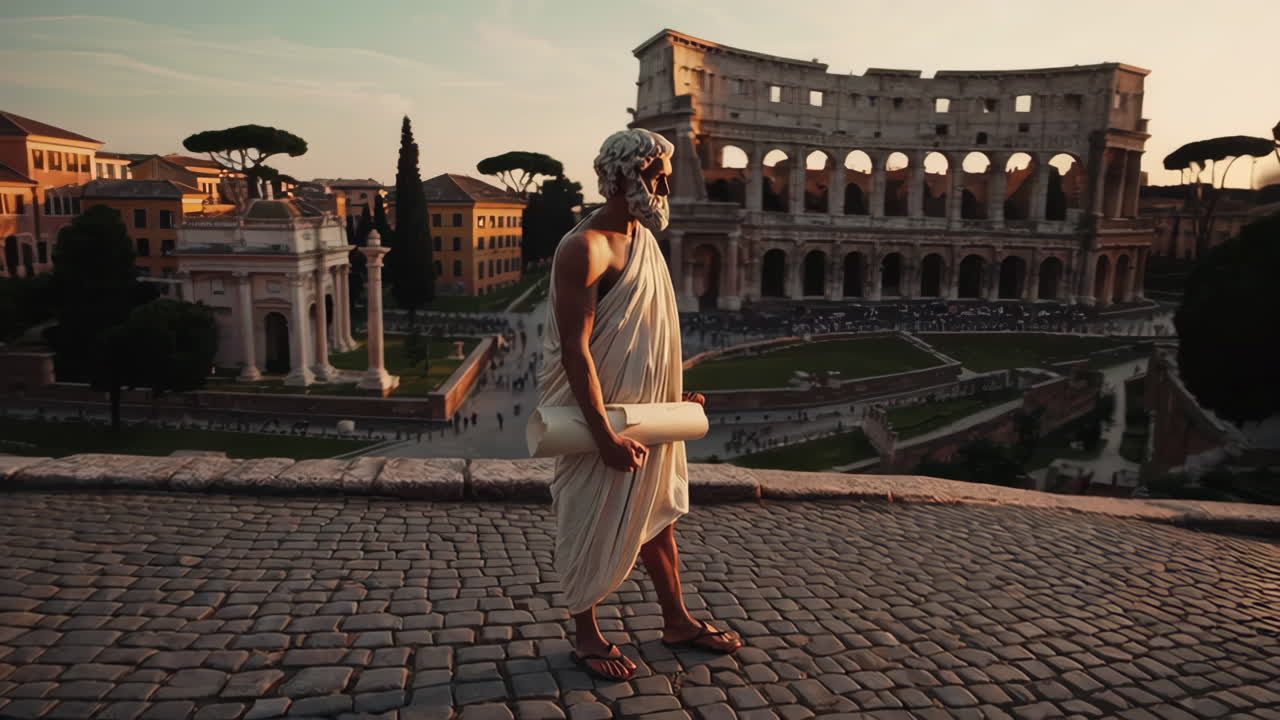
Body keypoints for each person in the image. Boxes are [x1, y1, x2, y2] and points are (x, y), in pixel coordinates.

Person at [535, 128, 743, 682]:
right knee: (585, 518)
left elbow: (647, 335)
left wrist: (673, 403)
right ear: (624, 176)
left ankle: (676, 620)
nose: (668, 183)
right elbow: (576, 350)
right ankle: (586, 635)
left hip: (647, 414)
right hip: (599, 420)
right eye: (656, 174)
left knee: (658, 520)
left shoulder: (645, 241)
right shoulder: (584, 247)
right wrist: (602, 435)